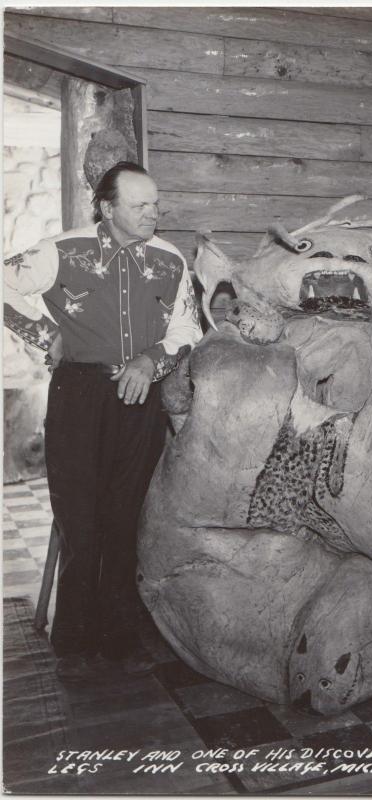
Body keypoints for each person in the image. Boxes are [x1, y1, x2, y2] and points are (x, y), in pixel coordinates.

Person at [4, 161, 203, 681]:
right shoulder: (61, 249)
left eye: (155, 203)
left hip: (140, 397)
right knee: (80, 518)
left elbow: (187, 328)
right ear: (106, 206)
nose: (152, 214)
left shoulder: (170, 259)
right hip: (78, 394)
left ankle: (119, 632)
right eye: (139, 205)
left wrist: (151, 360)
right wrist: (40, 332)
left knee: (124, 518)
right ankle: (72, 632)